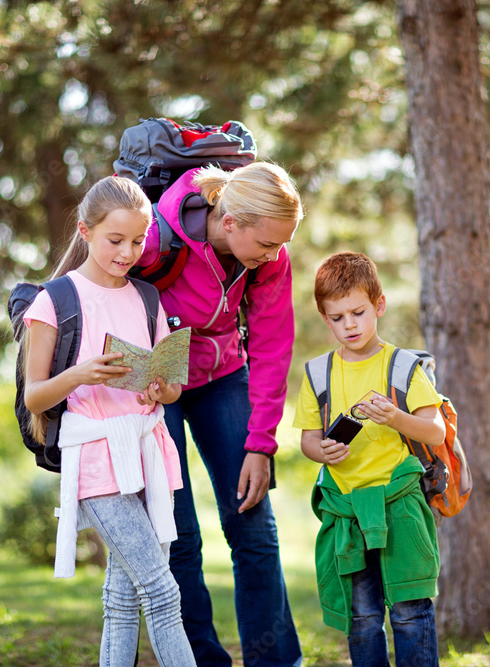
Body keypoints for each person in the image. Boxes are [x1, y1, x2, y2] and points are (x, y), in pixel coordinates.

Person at [22, 176, 196, 667]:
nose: (127, 252)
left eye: (138, 241)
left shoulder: (146, 298)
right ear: (85, 231)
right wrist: (80, 373)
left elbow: (172, 384)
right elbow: (35, 396)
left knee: (123, 599)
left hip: (148, 452)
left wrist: (160, 388)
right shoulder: (54, 300)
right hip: (98, 459)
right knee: (162, 592)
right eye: (115, 240)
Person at [139, 162, 304, 666]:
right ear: (230, 223)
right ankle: (199, 661)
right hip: (155, 373)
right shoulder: (153, 239)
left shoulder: (267, 260)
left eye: (281, 245)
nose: (275, 257)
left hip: (222, 375)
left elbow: (274, 348)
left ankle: (274, 661)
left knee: (253, 523)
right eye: (268, 244)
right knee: (178, 532)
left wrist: (261, 444)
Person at [293, 251, 445, 667]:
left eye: (358, 313)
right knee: (361, 617)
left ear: (378, 305)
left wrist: (396, 417)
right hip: (347, 509)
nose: (349, 325)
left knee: (410, 612)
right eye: (337, 317)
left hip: (400, 504)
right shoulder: (317, 373)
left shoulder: (403, 366)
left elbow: (436, 431)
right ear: (325, 318)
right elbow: (308, 440)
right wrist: (320, 450)